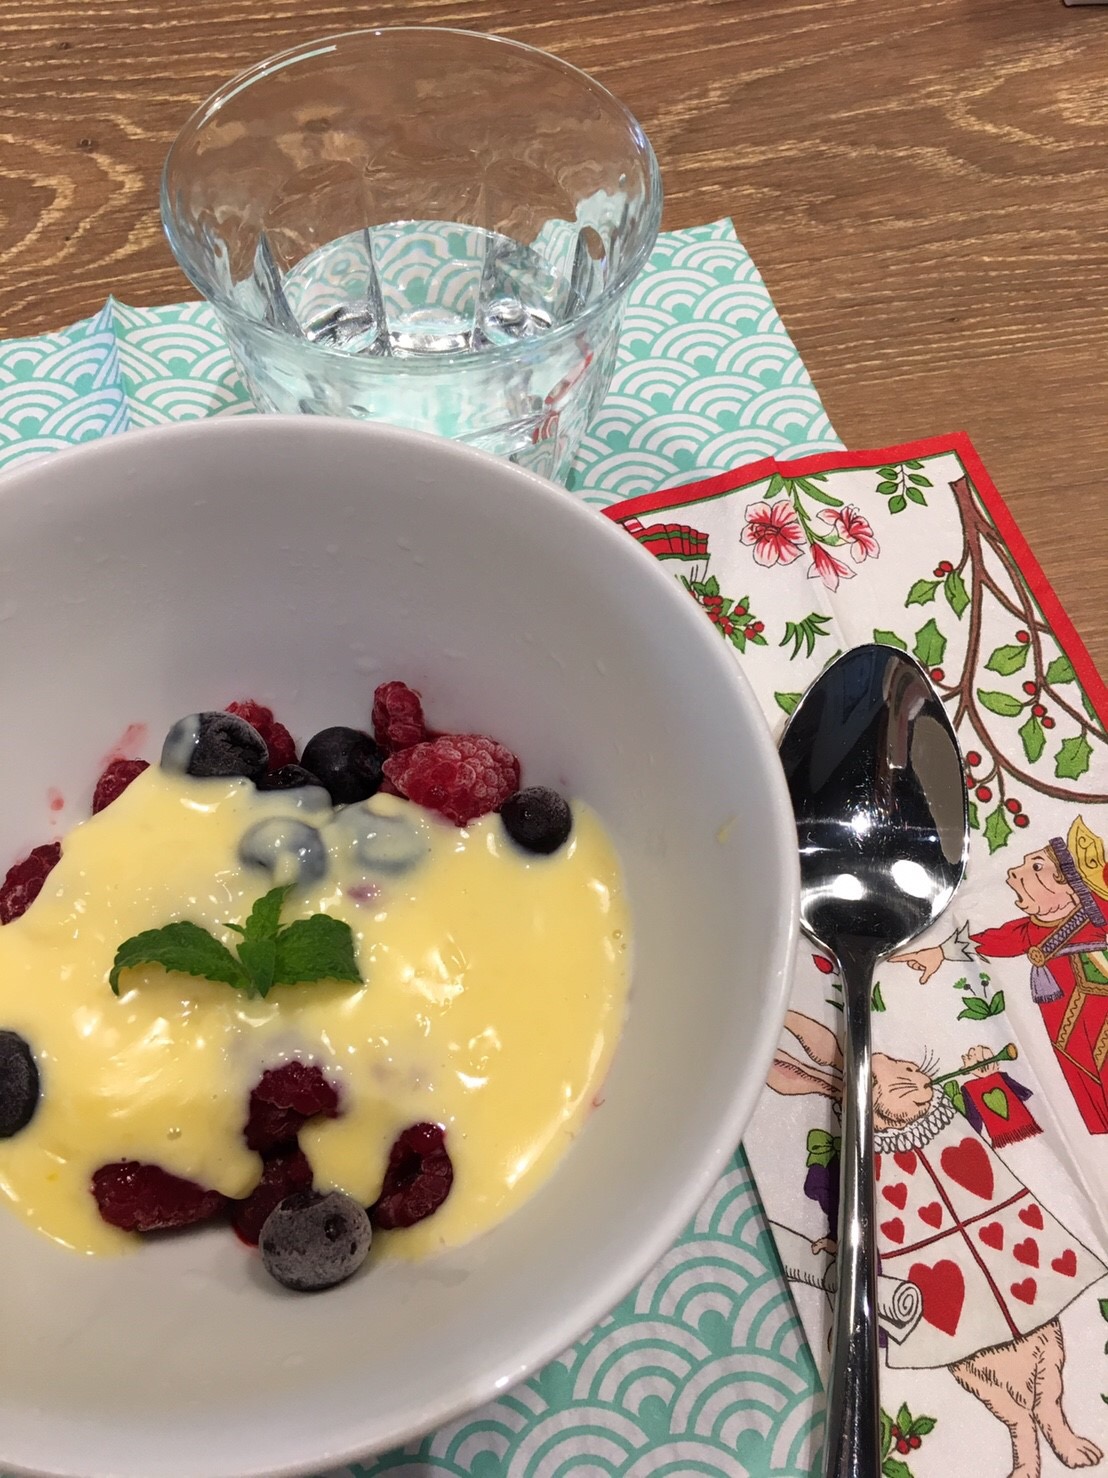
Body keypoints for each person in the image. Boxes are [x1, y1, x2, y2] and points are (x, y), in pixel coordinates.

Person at [893, 815, 1108, 1135]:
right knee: (1082, 1074)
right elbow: (991, 941)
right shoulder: (1031, 930)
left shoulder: (1096, 911)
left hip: (1099, 1004)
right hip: (1063, 1021)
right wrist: (938, 952)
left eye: (1036, 867)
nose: (1013, 873)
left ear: (1070, 888)